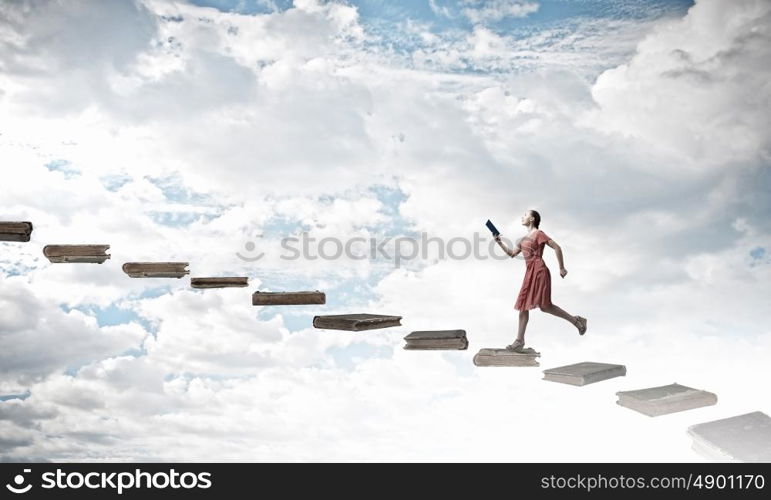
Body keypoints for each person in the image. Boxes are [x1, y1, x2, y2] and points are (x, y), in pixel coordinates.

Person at [493, 209, 587, 352]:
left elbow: (557, 247)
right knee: (523, 306)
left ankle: (576, 321)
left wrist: (562, 268)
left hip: (539, 271)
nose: (522, 216)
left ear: (532, 219)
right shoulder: (523, 239)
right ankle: (519, 341)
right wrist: (499, 242)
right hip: (529, 273)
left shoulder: (539, 234)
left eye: (525, 215)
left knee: (545, 306)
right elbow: (512, 254)